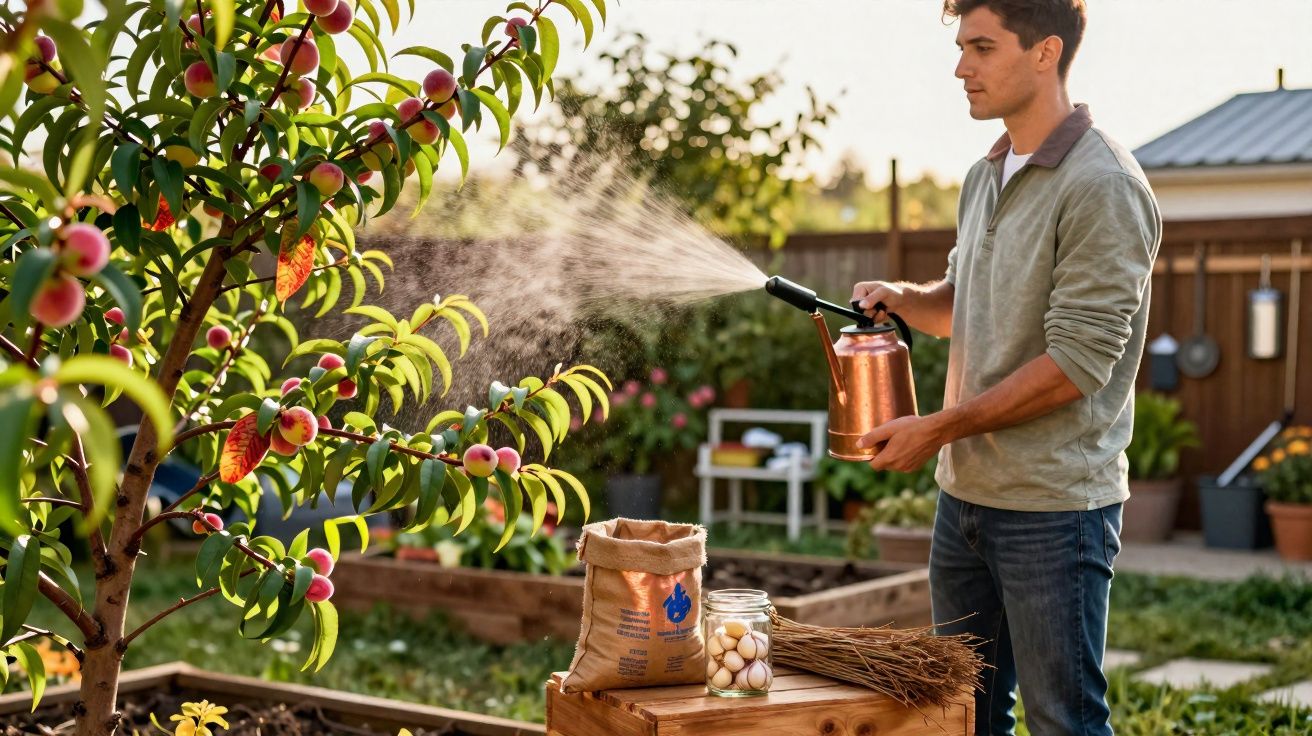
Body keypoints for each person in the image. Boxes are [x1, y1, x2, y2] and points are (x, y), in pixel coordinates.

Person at [850, 1, 1160, 733]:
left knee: (1063, 721)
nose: (962, 67)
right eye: (961, 47)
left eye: (982, 47)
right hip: (966, 500)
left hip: (1054, 510)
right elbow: (965, 302)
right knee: (963, 715)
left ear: (1046, 51)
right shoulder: (984, 174)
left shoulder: (1102, 184)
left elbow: (1073, 366)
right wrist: (905, 298)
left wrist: (939, 427)